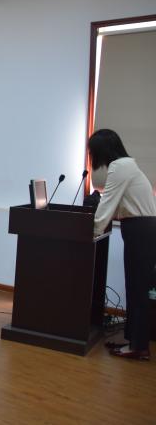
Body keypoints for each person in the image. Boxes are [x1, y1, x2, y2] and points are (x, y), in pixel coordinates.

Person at [89, 129, 156, 360]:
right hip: (142, 229)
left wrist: (90, 233)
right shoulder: (127, 165)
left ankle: (138, 347)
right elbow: (118, 203)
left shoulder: (119, 167)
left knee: (137, 290)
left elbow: (107, 203)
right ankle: (133, 341)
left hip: (140, 231)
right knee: (135, 288)